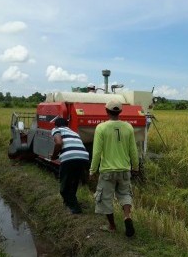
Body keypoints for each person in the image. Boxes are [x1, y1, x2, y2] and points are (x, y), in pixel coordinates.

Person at [89, 99, 139, 237]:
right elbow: (133, 150)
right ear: (120, 112)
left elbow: (97, 152)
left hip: (107, 171)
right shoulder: (128, 127)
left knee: (105, 198)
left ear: (106, 111)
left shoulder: (101, 128)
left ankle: (112, 226)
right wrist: (135, 166)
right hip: (124, 170)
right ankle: (127, 216)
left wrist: (92, 170)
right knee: (125, 194)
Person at [51, 118, 90, 214]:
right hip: (84, 158)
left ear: (56, 125)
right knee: (73, 183)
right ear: (67, 125)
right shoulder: (74, 133)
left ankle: (75, 209)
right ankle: (69, 202)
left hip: (69, 158)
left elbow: (59, 143)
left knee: (64, 187)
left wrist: (54, 156)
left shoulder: (56, 129)